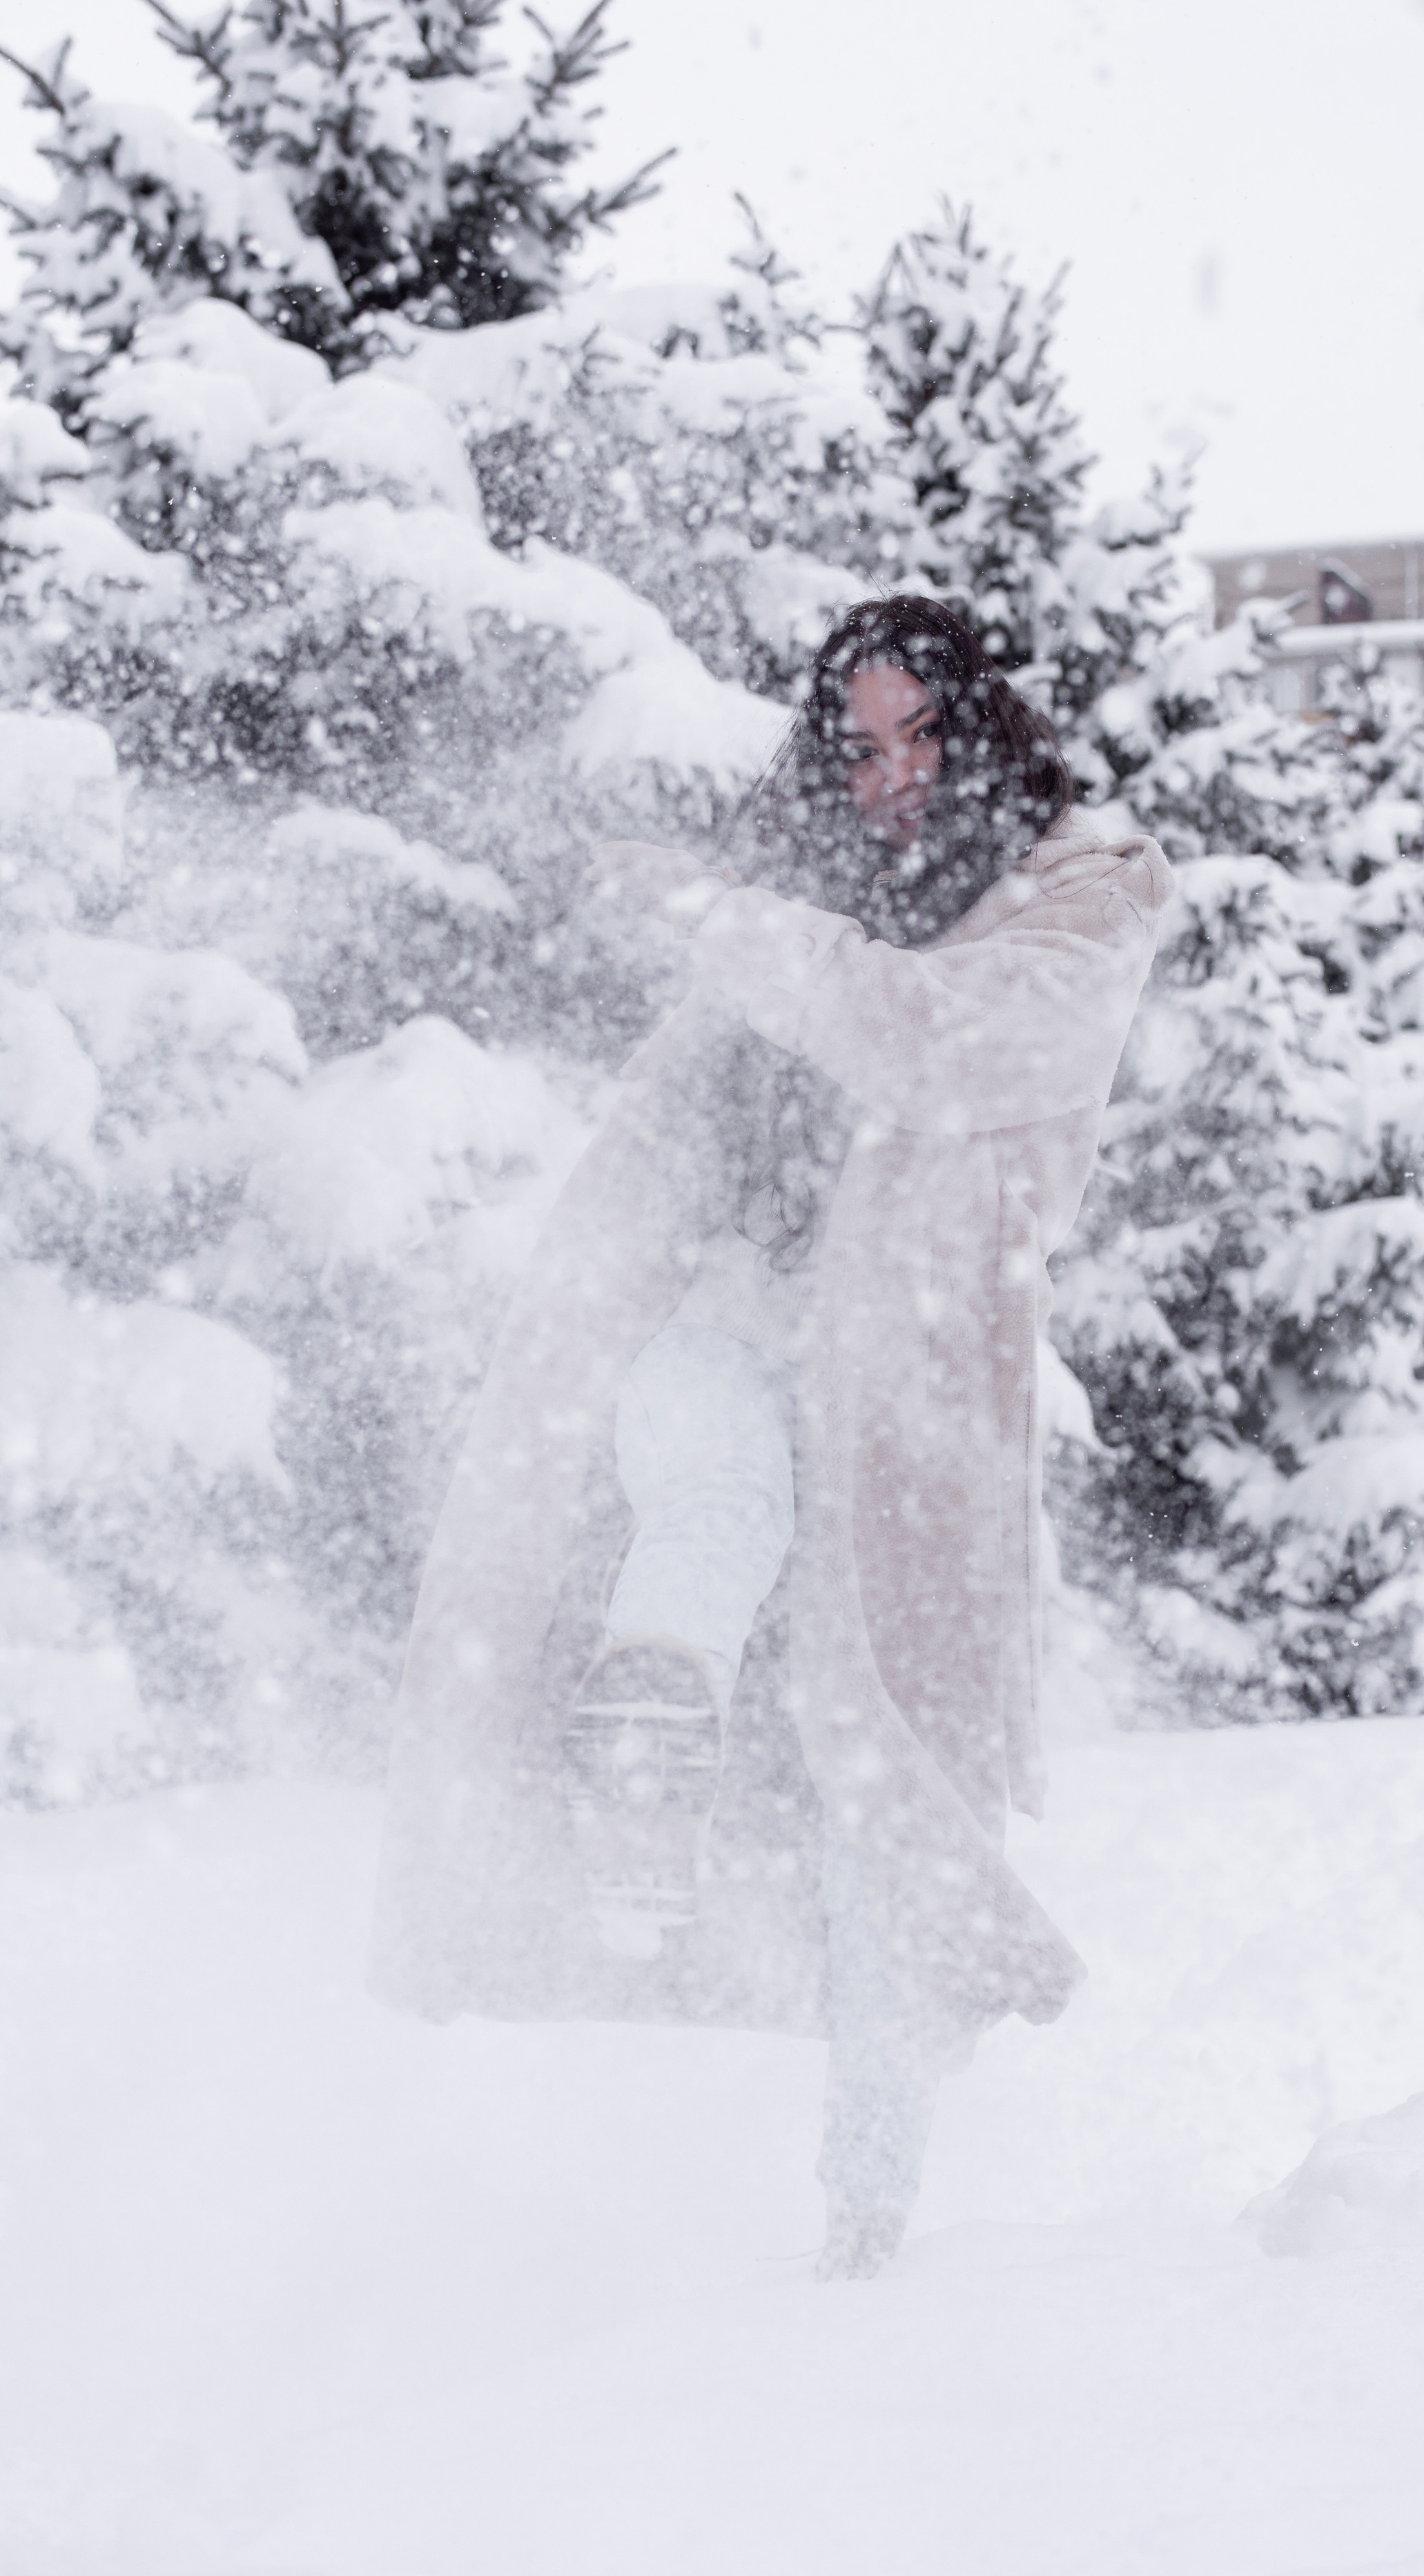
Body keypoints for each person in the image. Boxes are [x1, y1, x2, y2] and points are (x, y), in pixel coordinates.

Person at [369, 596, 1174, 2279]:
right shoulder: (787, 907)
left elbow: (933, 1040)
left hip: (914, 1413)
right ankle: (647, 1750)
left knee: (887, 1806)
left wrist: (727, 920)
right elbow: (658, 1151)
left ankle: (863, 2227)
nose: (884, 783)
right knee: (701, 1456)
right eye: (854, 747)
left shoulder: (1083, 895)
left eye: (918, 741)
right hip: (736, 1329)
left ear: (982, 732)